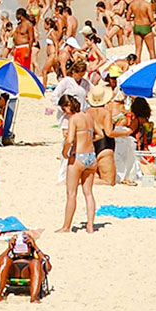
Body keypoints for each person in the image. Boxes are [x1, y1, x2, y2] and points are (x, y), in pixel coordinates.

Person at [58, 94, 99, 233]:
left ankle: (66, 226)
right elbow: (99, 134)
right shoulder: (88, 116)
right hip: (91, 156)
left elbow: (69, 140)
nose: (64, 112)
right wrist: (85, 138)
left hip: (78, 156)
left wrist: (65, 152)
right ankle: (90, 226)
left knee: (71, 193)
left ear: (68, 106)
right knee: (88, 193)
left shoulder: (74, 119)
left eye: (64, 109)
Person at [0, 231, 48, 303]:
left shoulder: (34, 257)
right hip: (13, 271)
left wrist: (35, 246)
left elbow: (47, 267)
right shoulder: (10, 258)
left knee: (35, 262)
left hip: (28, 272)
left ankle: (34, 297)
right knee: (6, 259)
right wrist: (9, 249)